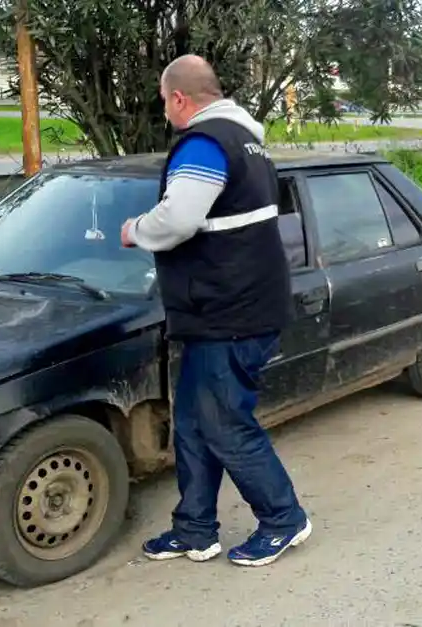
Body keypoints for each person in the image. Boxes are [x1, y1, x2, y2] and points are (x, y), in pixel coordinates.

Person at [120, 55, 311, 567]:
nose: (164, 111)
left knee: (225, 423)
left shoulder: (206, 143)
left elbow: (178, 219)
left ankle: (284, 519)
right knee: (193, 423)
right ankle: (196, 529)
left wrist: (135, 230)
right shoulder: (246, 140)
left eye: (164, 102)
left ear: (179, 99)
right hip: (222, 311)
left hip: (233, 315)